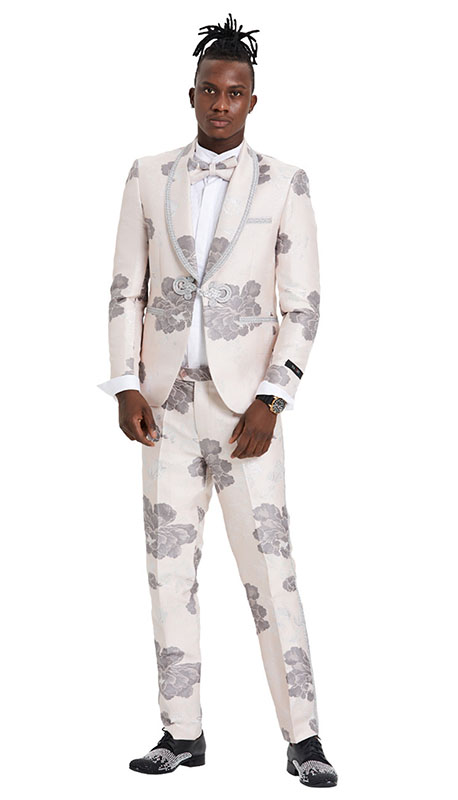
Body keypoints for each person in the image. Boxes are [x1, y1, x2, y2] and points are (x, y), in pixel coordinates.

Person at [97, 12, 338, 788]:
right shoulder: (148, 174)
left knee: (272, 574)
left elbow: (303, 305)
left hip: (246, 415)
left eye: (235, 92)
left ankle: (304, 738)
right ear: (192, 93)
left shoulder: (285, 182)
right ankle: (182, 731)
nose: (221, 103)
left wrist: (274, 397)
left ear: (252, 100)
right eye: (210, 89)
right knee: (167, 572)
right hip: (164, 408)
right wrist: (126, 383)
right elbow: (125, 288)